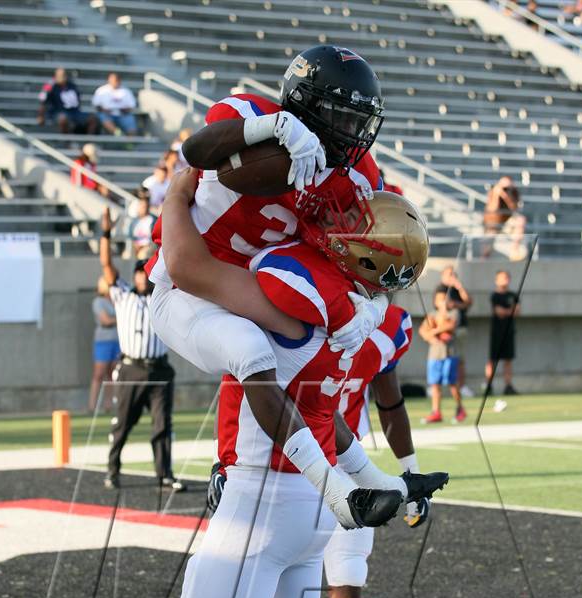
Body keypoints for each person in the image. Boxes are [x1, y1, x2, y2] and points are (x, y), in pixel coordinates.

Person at [166, 185, 447, 598]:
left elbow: (185, 266)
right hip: (310, 505)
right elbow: (335, 411)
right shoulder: (376, 317)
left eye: (353, 218)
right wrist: (371, 476)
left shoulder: (299, 282)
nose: (334, 217)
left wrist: (179, 190)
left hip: (264, 493)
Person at [149, 46, 394, 530]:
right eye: (342, 118)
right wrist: (273, 129)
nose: (351, 134)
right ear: (309, 105)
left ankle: (369, 475)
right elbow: (195, 153)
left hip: (254, 282)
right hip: (188, 289)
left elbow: (380, 255)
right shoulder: (251, 116)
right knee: (249, 351)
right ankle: (330, 488)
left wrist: (373, 304)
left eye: (358, 122)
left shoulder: (353, 175)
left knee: (312, 354)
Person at [240, 303, 430, 598]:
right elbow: (251, 380)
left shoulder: (391, 321)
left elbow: (391, 401)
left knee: (347, 584)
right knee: (266, 573)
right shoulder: (301, 293)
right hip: (284, 461)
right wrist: (227, 459)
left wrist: (409, 472)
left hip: (347, 461)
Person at [98, 207, 183, 491]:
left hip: (159, 367)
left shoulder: (163, 296)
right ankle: (112, 470)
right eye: (138, 272)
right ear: (133, 276)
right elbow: (107, 267)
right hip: (132, 368)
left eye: (145, 272)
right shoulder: (123, 297)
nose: (141, 277)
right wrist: (107, 234)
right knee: (122, 423)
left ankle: (164, 474)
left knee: (162, 424)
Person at [419, 288, 466, 423]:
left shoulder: (454, 313)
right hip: (435, 354)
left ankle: (460, 408)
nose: (442, 302)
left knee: (451, 382)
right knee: (435, 384)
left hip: (449, 353)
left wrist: (433, 331)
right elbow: (423, 331)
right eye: (440, 299)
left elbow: (448, 326)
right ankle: (436, 412)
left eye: (445, 299)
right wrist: (431, 336)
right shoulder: (432, 314)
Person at [437, 265, 473, 397]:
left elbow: (468, 301)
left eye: (454, 274)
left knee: (460, 359)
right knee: (442, 359)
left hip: (460, 328)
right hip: (446, 330)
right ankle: (437, 388)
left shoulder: (458, 289)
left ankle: (462, 386)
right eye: (449, 274)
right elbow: (444, 304)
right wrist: (460, 305)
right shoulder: (441, 289)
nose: (452, 277)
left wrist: (459, 287)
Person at [485, 269, 521, 395]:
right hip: (497, 332)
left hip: (509, 331)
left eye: (506, 277)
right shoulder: (495, 295)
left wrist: (509, 311)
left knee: (508, 360)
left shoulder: (513, 295)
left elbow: (517, 311)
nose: (504, 280)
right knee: (493, 359)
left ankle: (508, 386)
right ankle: (489, 385)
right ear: (496, 280)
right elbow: (499, 312)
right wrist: (510, 311)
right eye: (501, 278)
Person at [89, 276, 119, 412]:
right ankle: (92, 406)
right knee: (99, 373)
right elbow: (105, 320)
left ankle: (109, 405)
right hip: (103, 341)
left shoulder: (116, 300)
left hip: (117, 339)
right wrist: (121, 319)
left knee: (112, 374)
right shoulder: (98, 302)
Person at [37, 67, 97, 134]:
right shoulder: (49, 86)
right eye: (60, 75)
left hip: (74, 112)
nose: (63, 77)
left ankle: (89, 142)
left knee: (92, 118)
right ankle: (67, 142)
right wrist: (41, 116)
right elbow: (43, 101)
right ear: (55, 76)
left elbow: (77, 100)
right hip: (57, 112)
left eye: (64, 75)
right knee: (63, 118)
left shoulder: (71, 85)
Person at [483, 175, 527, 260]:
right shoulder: (493, 192)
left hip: (507, 221)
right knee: (488, 239)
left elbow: (514, 208)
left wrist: (505, 195)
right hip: (494, 222)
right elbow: (492, 210)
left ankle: (514, 250)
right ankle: (484, 257)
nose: (505, 189)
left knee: (520, 220)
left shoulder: (513, 193)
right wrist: (497, 195)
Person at [129, 191, 156, 261]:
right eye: (141, 206)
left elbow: (154, 238)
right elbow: (130, 235)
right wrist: (135, 244)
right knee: (127, 254)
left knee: (143, 255)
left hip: (148, 246)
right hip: (135, 246)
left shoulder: (153, 220)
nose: (143, 208)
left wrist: (145, 246)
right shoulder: (134, 221)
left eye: (145, 206)